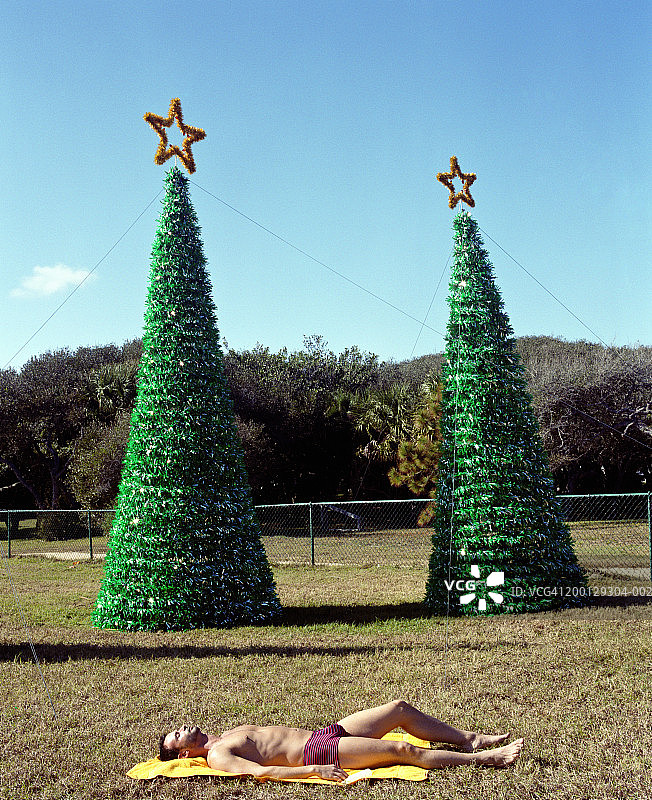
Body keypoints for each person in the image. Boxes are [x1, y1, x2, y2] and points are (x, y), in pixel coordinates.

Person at [159, 699, 524, 782]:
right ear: (185, 752)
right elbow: (262, 772)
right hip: (318, 752)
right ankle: (487, 759)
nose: (183, 727)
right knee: (403, 750)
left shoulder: (226, 734)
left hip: (324, 734)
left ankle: (471, 739)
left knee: (399, 708)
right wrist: (314, 769)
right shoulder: (219, 754)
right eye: (177, 735)